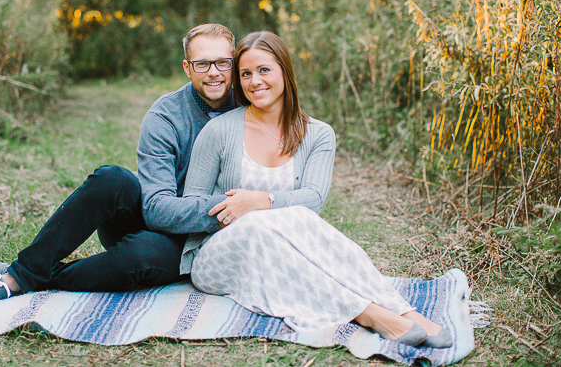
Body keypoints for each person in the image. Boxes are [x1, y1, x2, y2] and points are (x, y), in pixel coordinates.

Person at [176, 31, 452, 348]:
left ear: (284, 71)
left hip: (286, 245)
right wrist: (235, 212)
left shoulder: (318, 134)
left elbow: (313, 200)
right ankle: (368, 313)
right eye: (246, 73)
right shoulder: (219, 130)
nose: (255, 81)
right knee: (257, 224)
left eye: (264, 70)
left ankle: (403, 310)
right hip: (218, 257)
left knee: (297, 218)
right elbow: (192, 203)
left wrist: (261, 200)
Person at [0, 24, 235, 298]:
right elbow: (156, 210)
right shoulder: (166, 115)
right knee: (113, 178)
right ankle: (18, 277)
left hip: (190, 245)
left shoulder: (251, 107)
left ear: (234, 63)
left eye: (223, 63)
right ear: (187, 68)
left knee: (141, 253)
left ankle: (27, 275)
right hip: (156, 217)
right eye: (202, 64)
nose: (214, 73)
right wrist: (232, 206)